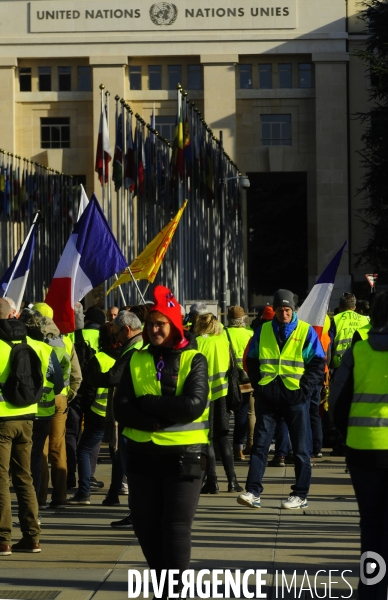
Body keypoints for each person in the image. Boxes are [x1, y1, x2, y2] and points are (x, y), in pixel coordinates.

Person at [114, 285, 209, 598]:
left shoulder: (194, 358)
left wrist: (149, 403)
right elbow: (121, 408)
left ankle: (175, 591)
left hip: (185, 458)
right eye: (151, 323)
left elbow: (193, 405)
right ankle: (162, 586)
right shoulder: (136, 359)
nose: (154, 329)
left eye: (161, 324)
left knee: (174, 526)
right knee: (145, 525)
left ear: (174, 326)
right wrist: (154, 418)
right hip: (141, 456)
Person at [237, 289, 325, 510]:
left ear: (293, 310)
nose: (283, 314)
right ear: (274, 310)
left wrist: (304, 389)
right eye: (279, 310)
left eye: (287, 310)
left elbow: (318, 363)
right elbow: (251, 359)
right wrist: (259, 384)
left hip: (295, 396)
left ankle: (300, 494)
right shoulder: (264, 329)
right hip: (269, 395)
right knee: (260, 446)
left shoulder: (305, 331)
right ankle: (253, 491)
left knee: (301, 448)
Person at [330, 290, 388, 600]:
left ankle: (371, 589)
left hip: (363, 450)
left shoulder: (359, 351)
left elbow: (337, 403)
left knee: (371, 523)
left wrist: (348, 435)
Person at [0, 298, 41, 555]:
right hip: (28, 416)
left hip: (2, 420)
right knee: (24, 477)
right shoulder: (32, 343)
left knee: (1, 480)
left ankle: (3, 538)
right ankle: (32, 536)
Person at [67, 323, 121, 505]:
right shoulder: (128, 357)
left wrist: (87, 409)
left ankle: (84, 492)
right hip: (120, 413)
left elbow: (89, 388)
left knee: (84, 450)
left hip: (98, 411)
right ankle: (117, 490)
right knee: (119, 453)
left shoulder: (98, 359)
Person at [17, 309, 64, 509]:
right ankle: (33, 506)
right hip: (43, 413)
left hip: (18, 412)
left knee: (17, 462)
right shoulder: (47, 350)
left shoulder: (15, 346)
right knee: (35, 458)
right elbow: (59, 383)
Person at [195, 313, 243, 494]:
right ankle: (232, 481)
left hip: (203, 396)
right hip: (222, 395)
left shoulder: (199, 342)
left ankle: (212, 481)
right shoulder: (224, 342)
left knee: (207, 438)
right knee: (223, 438)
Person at [225, 305, 253, 462]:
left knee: (225, 416)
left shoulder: (223, 333)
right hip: (246, 382)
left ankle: (221, 448)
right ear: (242, 319)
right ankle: (238, 450)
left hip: (227, 381)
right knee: (242, 416)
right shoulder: (250, 334)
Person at [329, 293, 370, 373]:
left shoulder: (336, 320)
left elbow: (329, 345)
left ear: (340, 306)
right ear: (355, 307)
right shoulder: (366, 320)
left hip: (340, 365)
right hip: (362, 363)